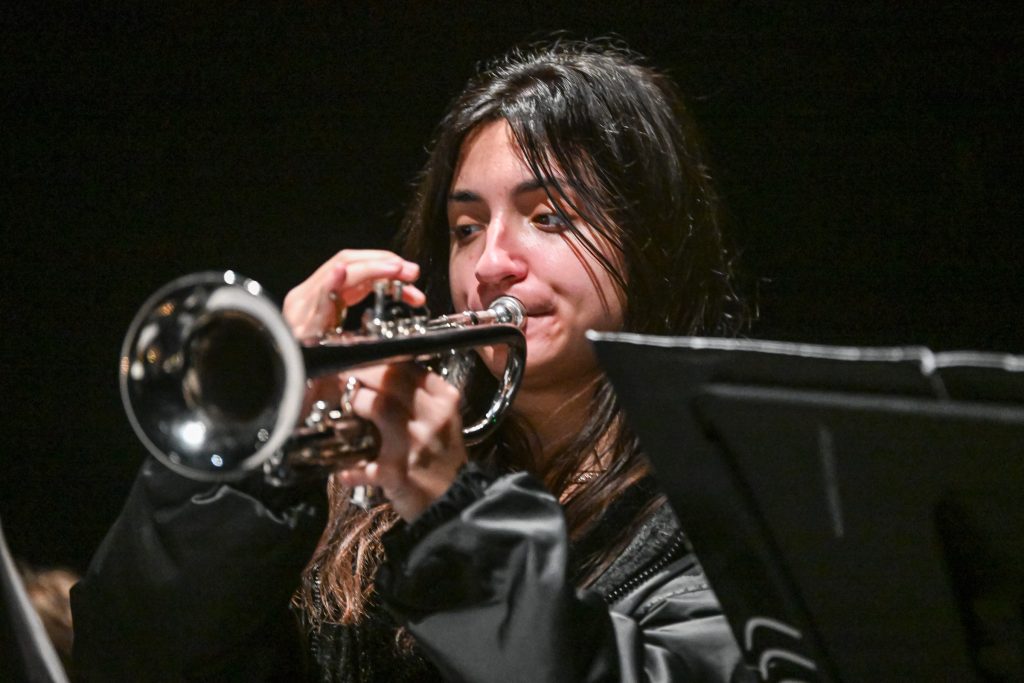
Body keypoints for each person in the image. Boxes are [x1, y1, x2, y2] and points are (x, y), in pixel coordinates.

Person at [72, 41, 754, 681]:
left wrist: (448, 515)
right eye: (465, 228)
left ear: (653, 243)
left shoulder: (732, 510)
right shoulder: (366, 483)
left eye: (548, 218)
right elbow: (123, 654)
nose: (490, 264)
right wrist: (270, 457)